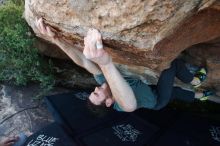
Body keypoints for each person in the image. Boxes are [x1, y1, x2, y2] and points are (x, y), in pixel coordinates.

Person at [35, 18, 215, 112]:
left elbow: (82, 61)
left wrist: (56, 39)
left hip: (150, 89)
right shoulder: (121, 104)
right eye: (96, 94)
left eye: (93, 91)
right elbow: (129, 105)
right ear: (108, 102)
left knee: (175, 92)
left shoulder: (102, 80)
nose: (95, 89)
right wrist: (105, 63)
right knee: (172, 65)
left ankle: (201, 96)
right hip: (157, 100)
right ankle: (193, 81)